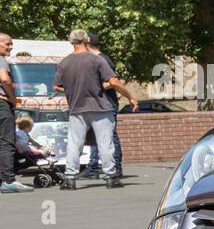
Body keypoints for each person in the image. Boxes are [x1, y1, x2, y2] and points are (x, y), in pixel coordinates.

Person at [52, 29, 134, 190]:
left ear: (70, 41)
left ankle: (70, 178)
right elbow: (114, 82)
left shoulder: (64, 63)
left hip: (76, 108)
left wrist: (72, 90)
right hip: (100, 107)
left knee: (74, 144)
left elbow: (56, 86)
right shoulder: (96, 60)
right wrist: (130, 97)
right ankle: (111, 177)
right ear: (87, 40)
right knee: (105, 143)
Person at [84, 31, 136, 176]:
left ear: (88, 45)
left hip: (108, 103)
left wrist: (92, 87)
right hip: (98, 103)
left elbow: (112, 82)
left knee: (111, 135)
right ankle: (93, 167)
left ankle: (116, 168)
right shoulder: (94, 60)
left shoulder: (103, 60)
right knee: (95, 135)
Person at [0, 32, 33, 193]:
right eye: (7, 44)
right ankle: (8, 181)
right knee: (6, 142)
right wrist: (13, 99)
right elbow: (5, 79)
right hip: (2, 104)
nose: (11, 47)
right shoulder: (1, 60)